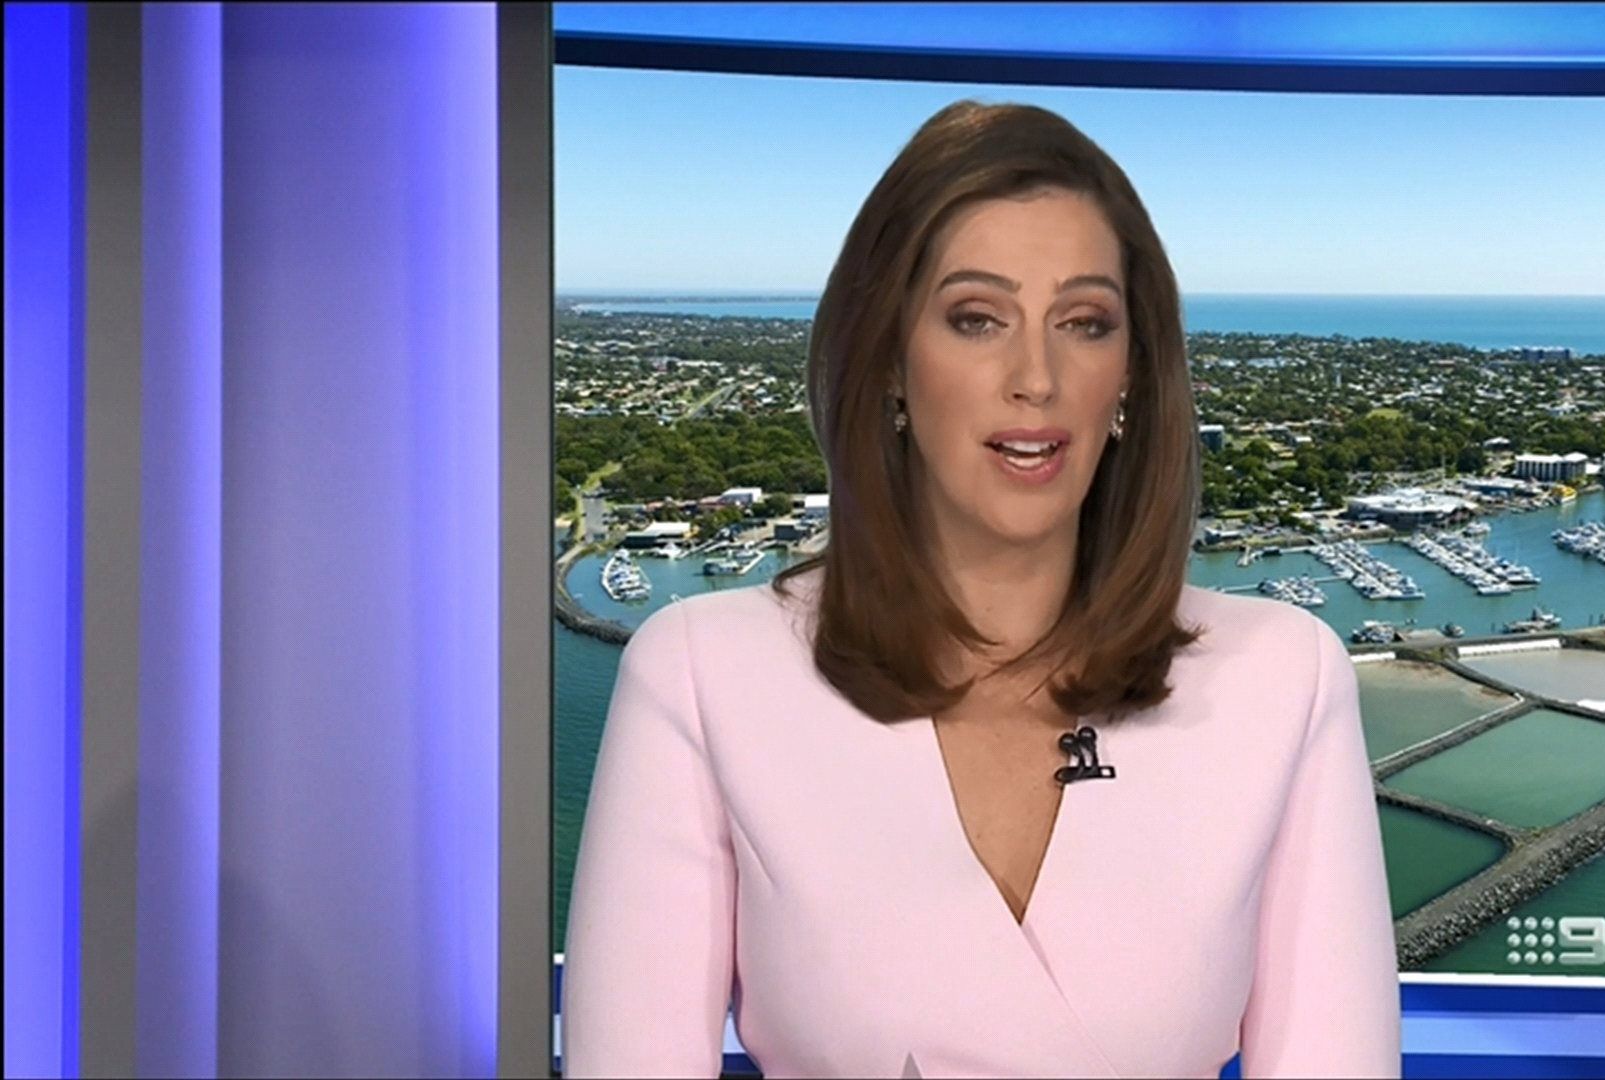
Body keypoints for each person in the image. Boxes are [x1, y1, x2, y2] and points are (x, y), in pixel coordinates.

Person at [562, 99, 1400, 1079]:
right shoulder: (702, 674)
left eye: (1084, 323)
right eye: (977, 319)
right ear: (889, 361)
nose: (1035, 377)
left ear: (1131, 375)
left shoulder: (1283, 678)